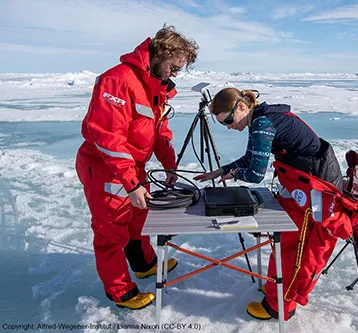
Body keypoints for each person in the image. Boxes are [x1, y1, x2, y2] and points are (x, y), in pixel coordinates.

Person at [75, 25, 198, 310]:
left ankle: (143, 264)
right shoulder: (117, 81)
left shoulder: (157, 88)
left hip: (134, 167)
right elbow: (108, 138)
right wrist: (130, 183)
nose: (176, 73)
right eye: (174, 66)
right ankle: (119, 291)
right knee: (110, 233)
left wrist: (170, 166)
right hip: (105, 167)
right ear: (159, 55)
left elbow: (159, 131)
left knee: (138, 219)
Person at [194, 87, 343, 320]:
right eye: (224, 124)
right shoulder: (260, 120)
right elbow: (250, 158)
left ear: (241, 107)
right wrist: (221, 172)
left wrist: (234, 172)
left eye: (229, 120)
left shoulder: (263, 124)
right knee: (285, 241)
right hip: (302, 183)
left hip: (316, 188)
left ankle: (280, 305)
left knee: (295, 246)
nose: (230, 127)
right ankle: (278, 288)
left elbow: (254, 173)